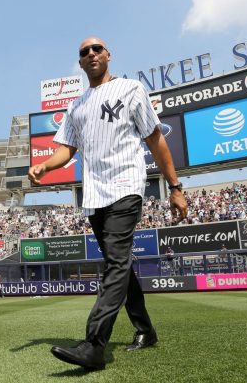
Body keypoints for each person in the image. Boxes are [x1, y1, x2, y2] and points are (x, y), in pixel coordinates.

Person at [29, 36, 188, 370]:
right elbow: (66, 150)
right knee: (122, 265)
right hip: (94, 195)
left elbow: (155, 139)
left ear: (108, 55)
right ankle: (146, 330)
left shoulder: (131, 89)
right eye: (84, 52)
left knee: (115, 264)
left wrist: (174, 186)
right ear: (81, 62)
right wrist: (45, 164)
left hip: (126, 186)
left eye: (96, 49)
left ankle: (94, 344)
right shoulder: (76, 105)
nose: (90, 54)